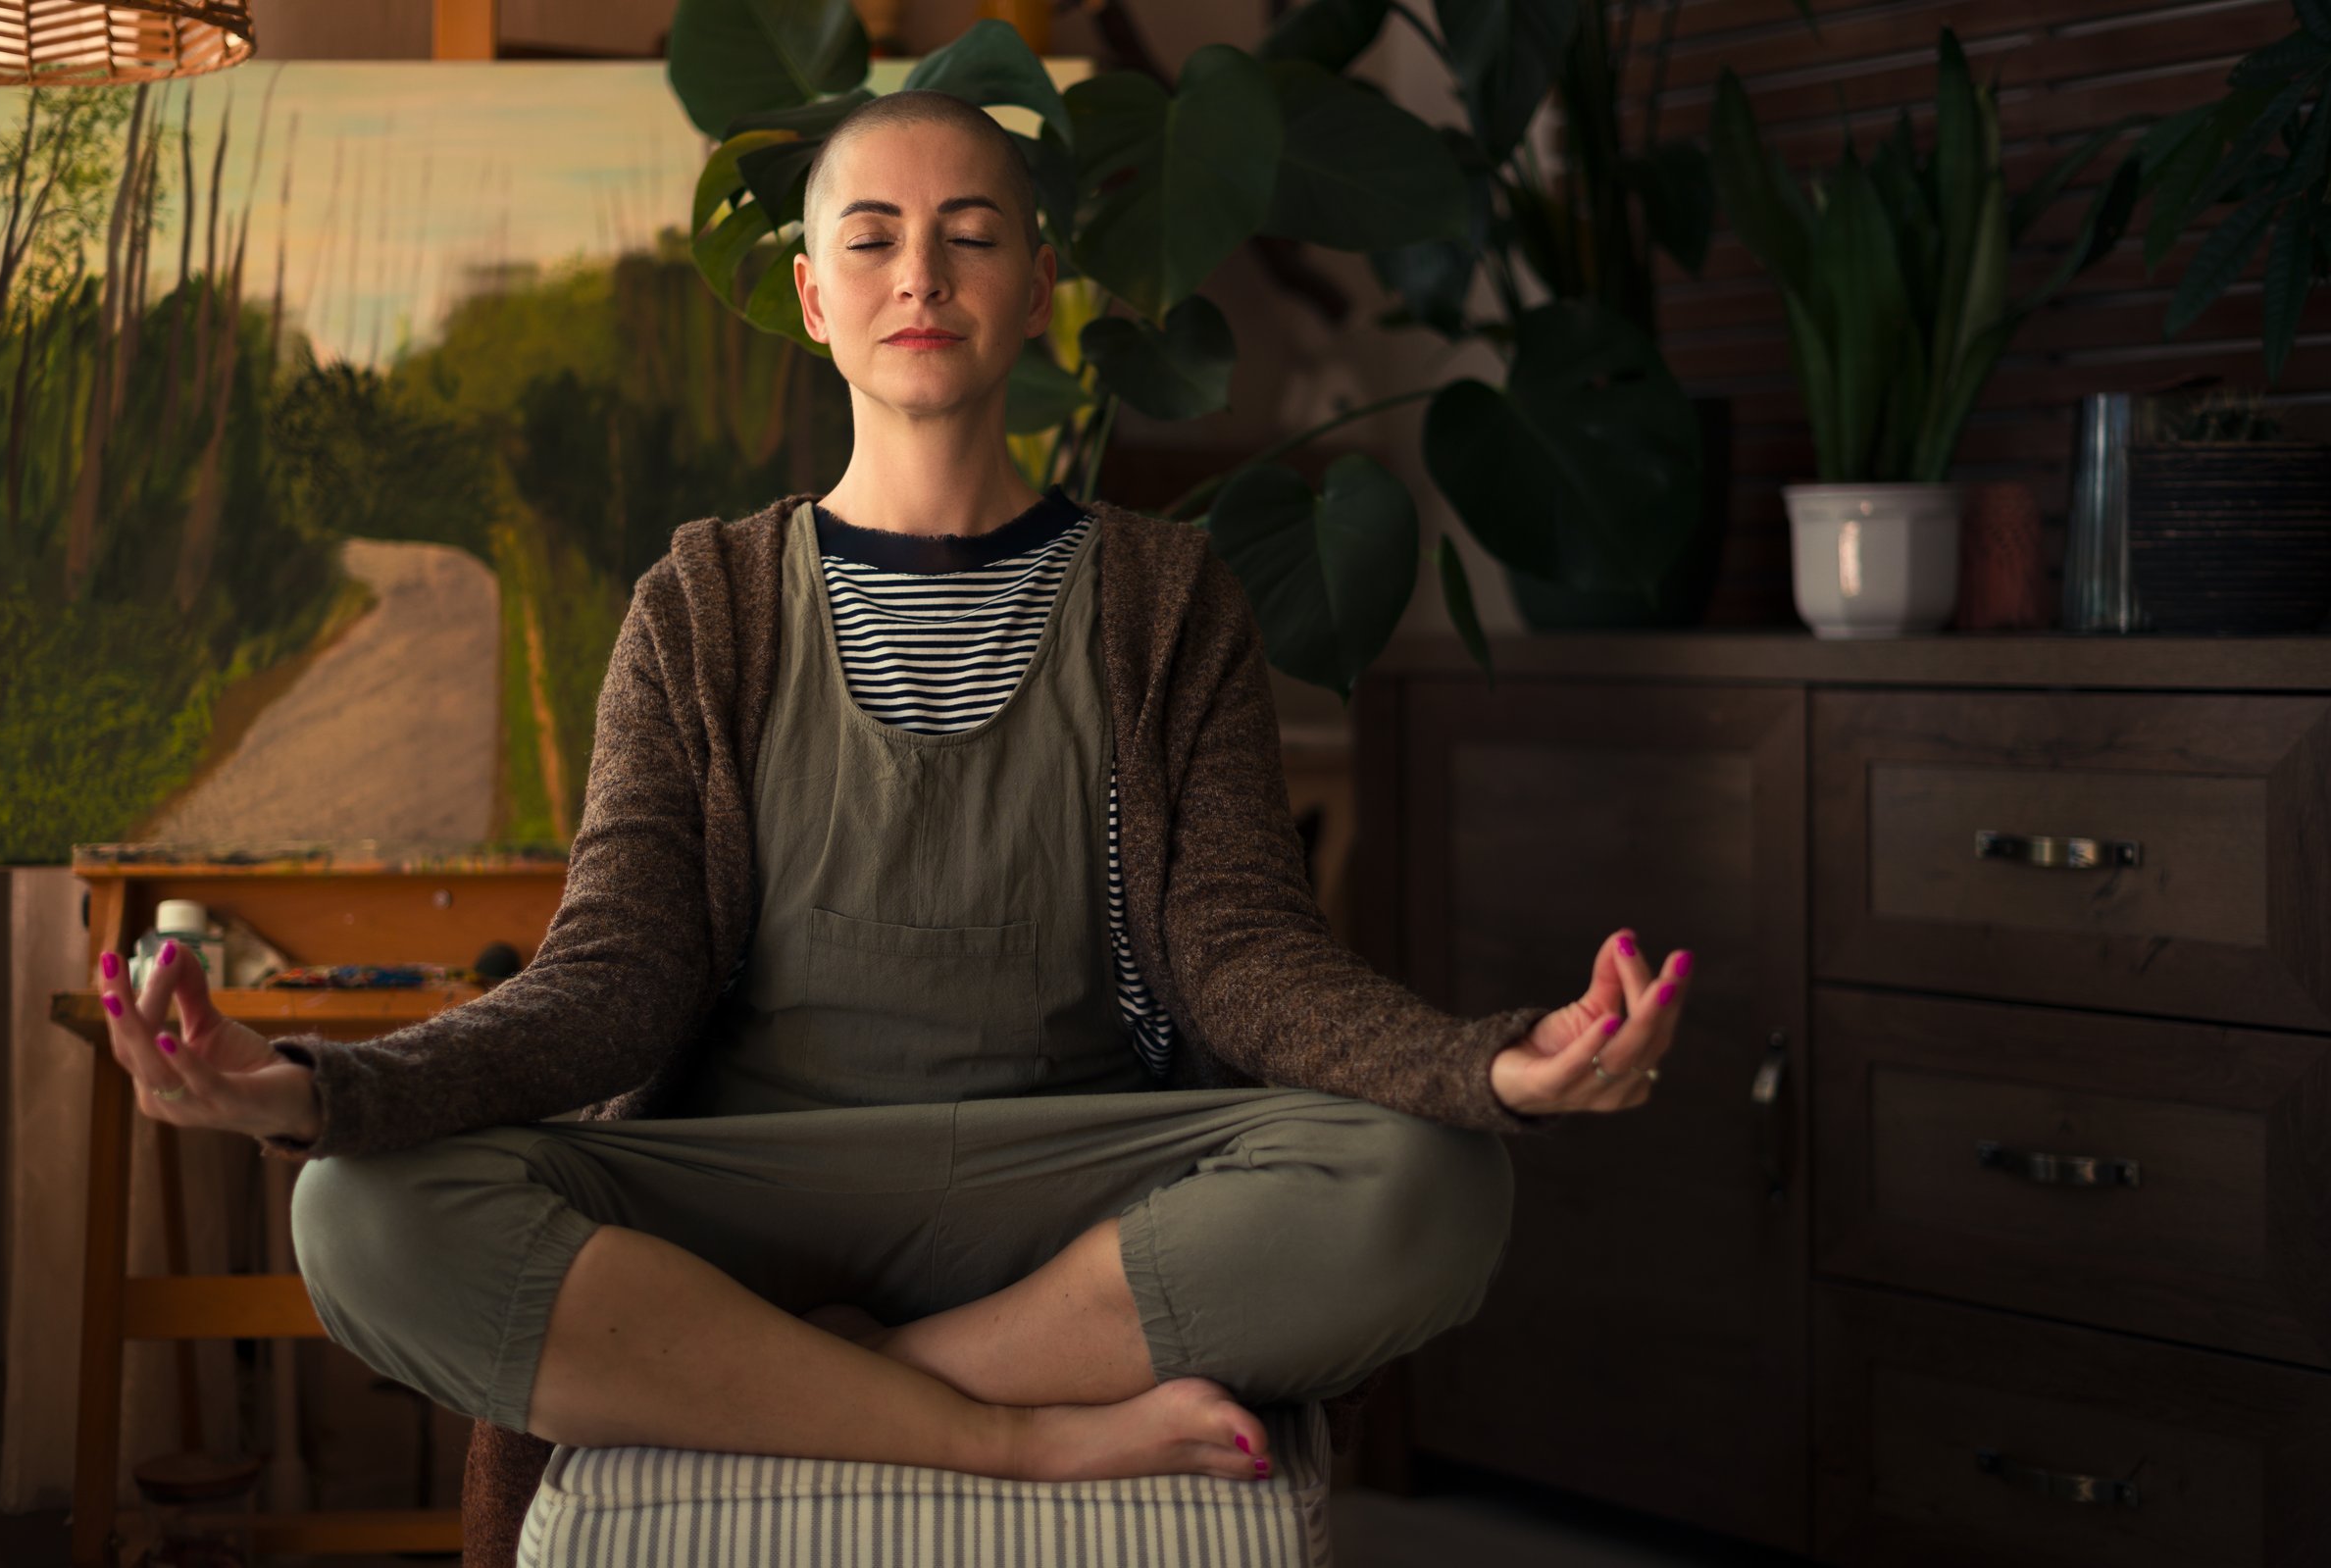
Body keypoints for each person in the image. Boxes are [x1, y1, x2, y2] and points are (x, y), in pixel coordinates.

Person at [92, 89, 1693, 1500]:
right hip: (750, 1183)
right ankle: (995, 1424)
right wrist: (317, 1094)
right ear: (810, 295)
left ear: (1040, 286)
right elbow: (613, 984)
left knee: (1427, 1182)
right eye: (870, 238)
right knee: (363, 1222)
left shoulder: (1163, 594)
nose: (919, 272)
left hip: (1068, 1183)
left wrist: (1488, 1065)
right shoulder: (701, 602)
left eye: (970, 233)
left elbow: (1244, 959)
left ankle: (836, 1373)